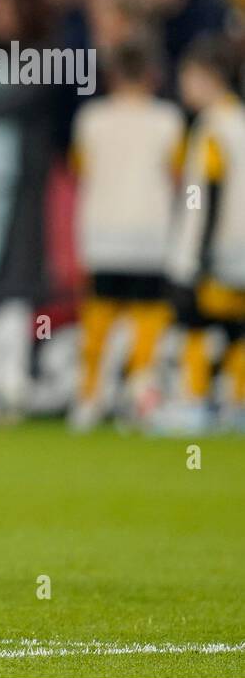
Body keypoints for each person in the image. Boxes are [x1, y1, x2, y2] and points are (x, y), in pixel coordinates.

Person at [68, 33, 182, 431]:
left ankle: (89, 399)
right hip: (151, 234)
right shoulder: (169, 120)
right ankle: (141, 397)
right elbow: (180, 176)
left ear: (112, 75)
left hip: (103, 233)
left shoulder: (91, 119)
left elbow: (79, 169)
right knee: (148, 321)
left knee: (99, 321)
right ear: (153, 74)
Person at [160, 36, 245, 434]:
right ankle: (236, 403)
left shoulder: (211, 128)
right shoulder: (239, 121)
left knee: (194, 324)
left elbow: (204, 191)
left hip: (215, 246)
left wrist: (196, 247)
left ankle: (193, 401)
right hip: (238, 246)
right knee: (236, 330)